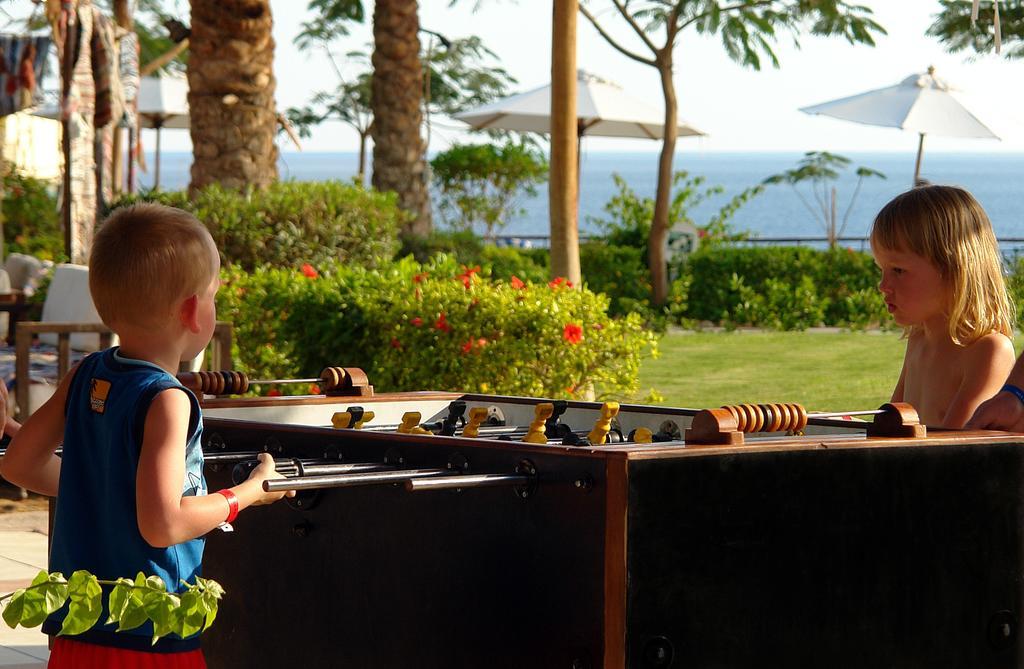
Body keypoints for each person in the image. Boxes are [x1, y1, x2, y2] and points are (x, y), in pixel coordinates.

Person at [0, 203, 292, 667]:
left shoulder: (86, 374)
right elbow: (163, 525)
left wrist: (103, 486)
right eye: (214, 296)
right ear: (194, 311)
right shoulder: (169, 401)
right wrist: (248, 493)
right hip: (149, 637)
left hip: (78, 633)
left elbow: (19, 464)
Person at [871, 185, 1015, 428]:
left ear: (954, 269)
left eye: (898, 270)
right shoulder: (918, 339)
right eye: (881, 270)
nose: (883, 285)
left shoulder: (989, 350)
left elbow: (952, 449)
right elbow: (892, 426)